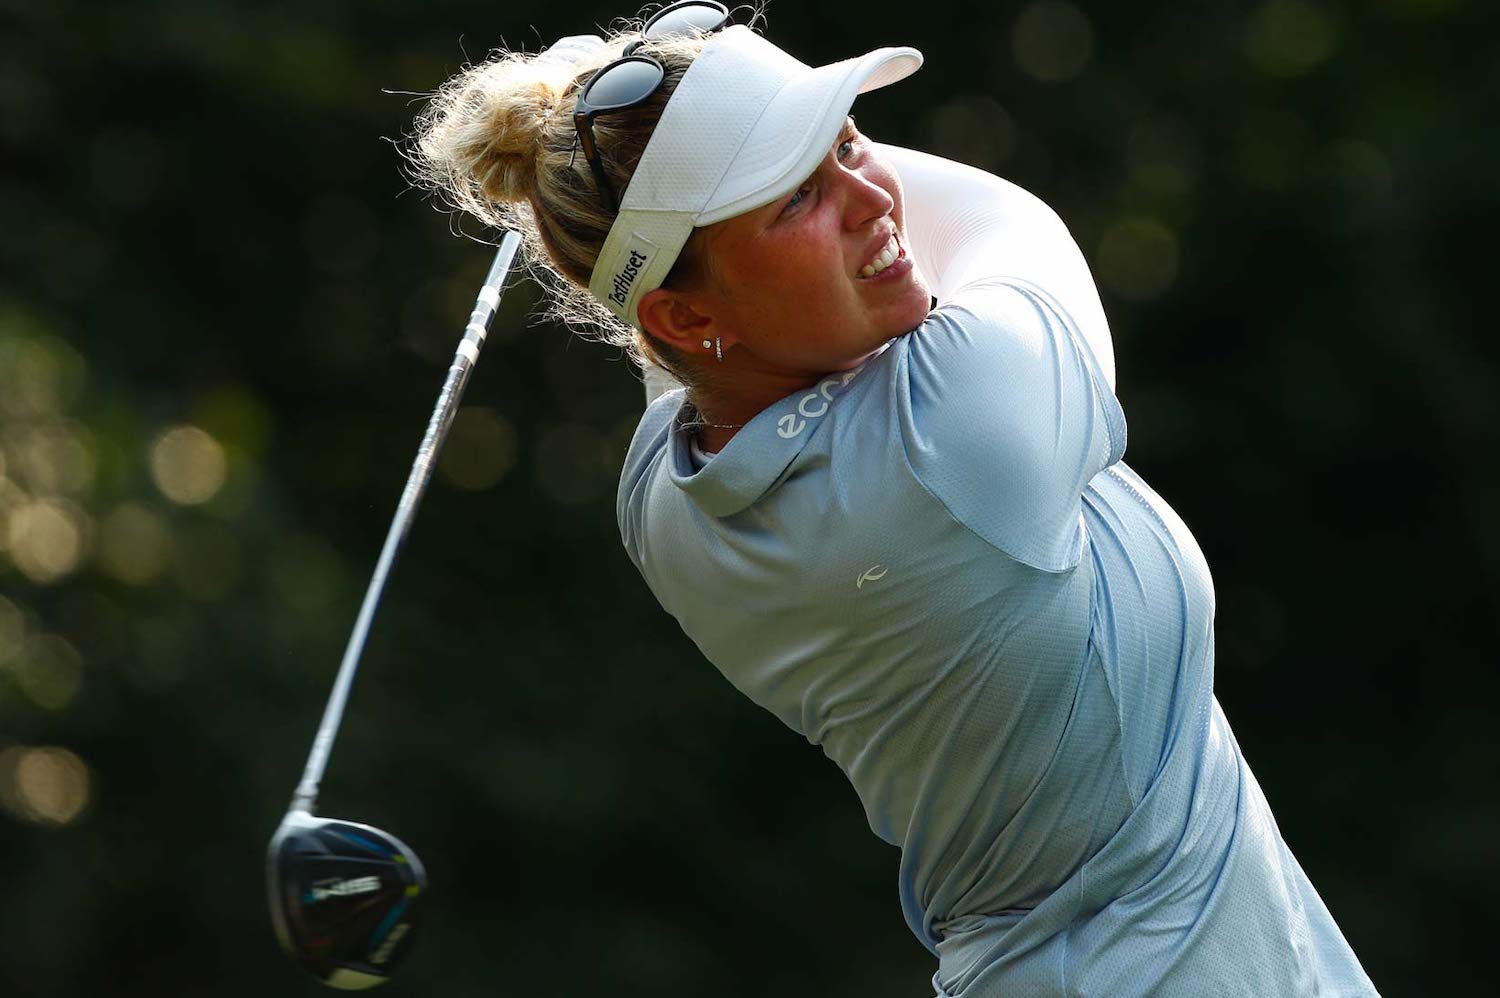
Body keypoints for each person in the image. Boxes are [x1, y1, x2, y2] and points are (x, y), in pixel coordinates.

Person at [412, 5, 1379, 995]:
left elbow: (679, 339)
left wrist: (700, 133)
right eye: (796, 196)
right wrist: (690, 113)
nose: (871, 194)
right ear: (689, 311)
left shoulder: (659, 493)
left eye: (848, 142)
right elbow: (1010, 221)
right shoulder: (960, 428)